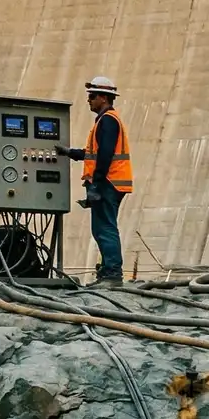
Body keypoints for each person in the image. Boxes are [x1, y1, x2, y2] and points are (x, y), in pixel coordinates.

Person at [59, 76, 134, 286]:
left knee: (105, 228)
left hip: (109, 182)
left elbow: (106, 154)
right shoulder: (105, 120)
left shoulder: (108, 120)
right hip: (110, 182)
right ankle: (107, 272)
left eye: (92, 96)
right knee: (101, 228)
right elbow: (95, 153)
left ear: (103, 97)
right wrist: (71, 153)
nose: (89, 100)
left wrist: (97, 184)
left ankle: (112, 274)